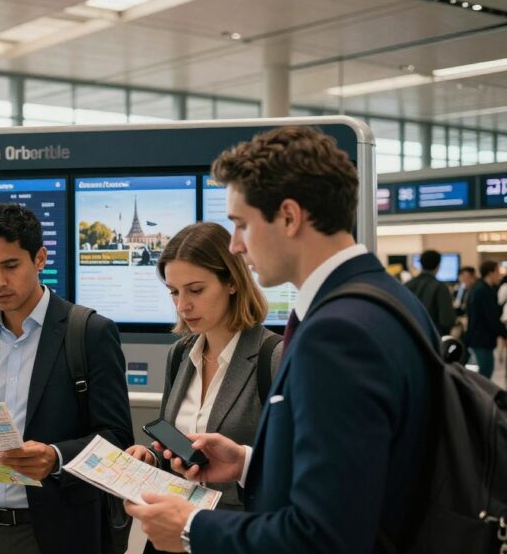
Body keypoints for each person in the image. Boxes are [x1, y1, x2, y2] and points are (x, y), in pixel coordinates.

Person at [125, 126, 435, 554]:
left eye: (241, 225)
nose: (236, 245)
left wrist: (192, 528)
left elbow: (325, 536)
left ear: (288, 216)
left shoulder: (336, 334)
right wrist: (247, 464)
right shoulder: (389, 300)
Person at [0, 203, 133, 554]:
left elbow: (118, 439)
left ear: (39, 259)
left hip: (57, 530)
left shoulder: (90, 333)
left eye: (10, 266)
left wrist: (55, 457)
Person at [125, 222, 282, 521]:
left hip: (239, 533)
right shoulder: (180, 355)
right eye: (174, 292)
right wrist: (152, 457)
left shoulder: (274, 357)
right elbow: (177, 448)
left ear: (232, 282)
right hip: (176, 531)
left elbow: (293, 469)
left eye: (196, 290)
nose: (183, 305)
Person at [464, 260, 507, 379]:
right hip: (481, 337)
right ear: (490, 273)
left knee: (486, 370)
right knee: (485, 371)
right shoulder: (483, 291)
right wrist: (504, 333)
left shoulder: (482, 288)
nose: (500, 274)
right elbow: (490, 317)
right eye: (498, 271)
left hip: (481, 337)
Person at [404, 249, 455, 335]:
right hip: (432, 338)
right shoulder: (440, 287)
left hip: (410, 335)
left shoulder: (407, 285)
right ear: (438, 266)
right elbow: (446, 320)